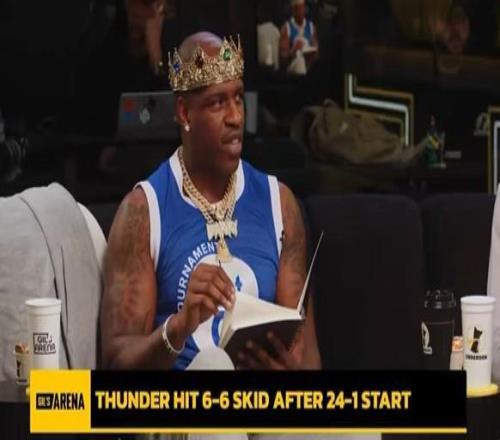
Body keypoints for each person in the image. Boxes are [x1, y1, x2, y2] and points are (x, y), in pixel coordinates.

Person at [100, 31, 322, 373]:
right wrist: (179, 326)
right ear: (184, 113)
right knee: (214, 365)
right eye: (218, 103)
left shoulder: (280, 203)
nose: (236, 117)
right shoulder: (143, 211)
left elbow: (309, 361)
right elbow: (116, 363)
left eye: (238, 98)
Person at [279, 0, 319, 74]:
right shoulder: (287, 27)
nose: (301, 11)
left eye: (302, 8)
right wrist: (293, 50)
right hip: (293, 66)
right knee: (300, 61)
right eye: (298, 9)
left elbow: (316, 52)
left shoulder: (311, 26)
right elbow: (283, 58)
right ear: (293, 10)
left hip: (308, 67)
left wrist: (312, 55)